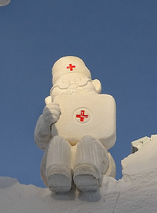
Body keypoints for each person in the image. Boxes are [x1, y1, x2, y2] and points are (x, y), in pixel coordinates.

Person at [34, 56, 116, 194]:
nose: (72, 87)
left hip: (97, 159)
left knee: (88, 141)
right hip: (57, 159)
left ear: (96, 85)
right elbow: (41, 141)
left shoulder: (102, 104)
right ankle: (58, 173)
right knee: (58, 140)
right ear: (49, 98)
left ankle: (87, 170)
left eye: (80, 83)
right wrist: (46, 122)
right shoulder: (50, 113)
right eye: (63, 86)